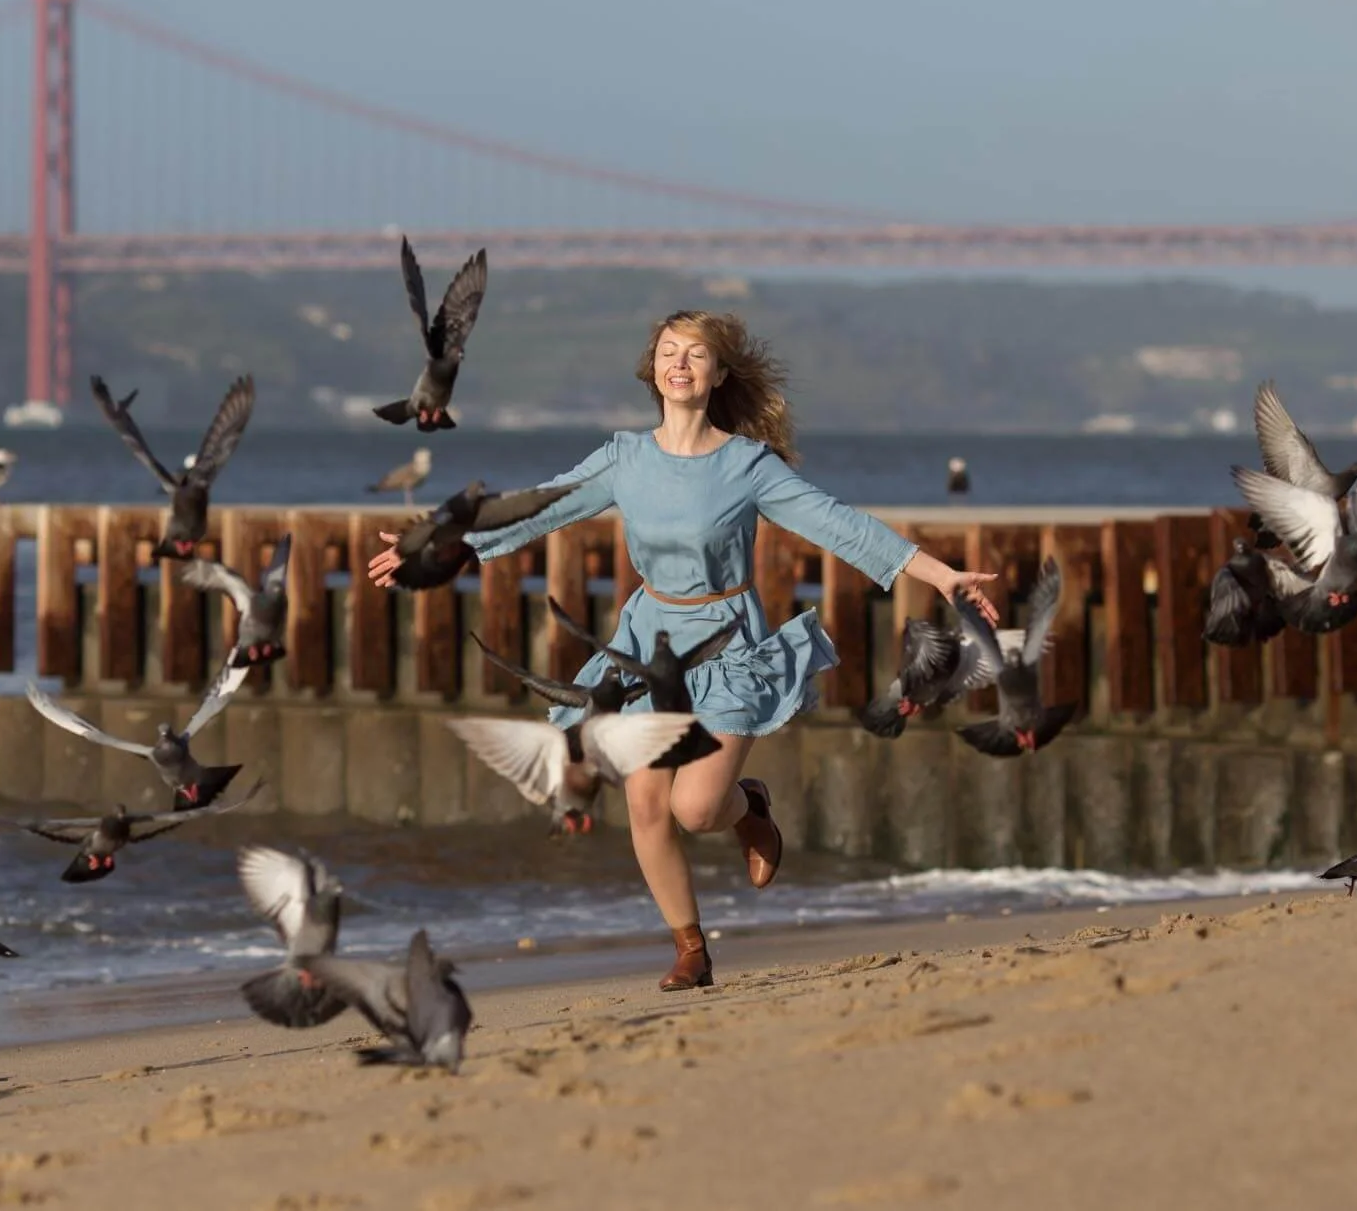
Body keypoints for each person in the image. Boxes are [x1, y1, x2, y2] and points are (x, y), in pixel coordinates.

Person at [366, 311, 1000, 991]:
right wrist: (437, 552)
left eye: (695, 354)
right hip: (649, 645)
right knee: (645, 802)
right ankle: (690, 949)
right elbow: (540, 506)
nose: (679, 363)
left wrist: (942, 575)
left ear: (718, 374)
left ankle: (749, 810)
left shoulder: (748, 465)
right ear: (654, 371)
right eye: (668, 352)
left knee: (697, 810)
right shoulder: (624, 458)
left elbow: (840, 525)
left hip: (728, 641)